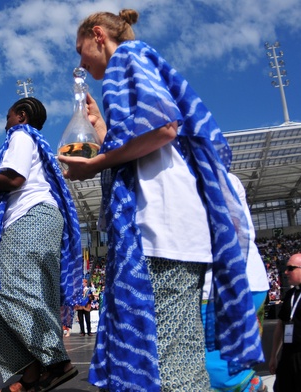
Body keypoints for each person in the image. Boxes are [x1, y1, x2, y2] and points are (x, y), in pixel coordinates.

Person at [60, 9, 264, 390]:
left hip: (160, 228)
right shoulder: (135, 64)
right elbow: (145, 149)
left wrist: (94, 166)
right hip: (175, 229)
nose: (81, 62)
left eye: (80, 49)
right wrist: (103, 127)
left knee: (165, 364)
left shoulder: (127, 56)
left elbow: (163, 127)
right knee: (177, 353)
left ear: (98, 35)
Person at [0, 97, 82, 392]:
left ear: (21, 116)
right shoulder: (34, 141)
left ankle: (55, 361)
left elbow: (13, 180)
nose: (5, 121)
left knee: (5, 291)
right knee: (21, 293)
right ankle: (29, 376)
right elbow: (20, 187)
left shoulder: (21, 135)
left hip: (29, 220)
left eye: (8, 115)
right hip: (37, 215)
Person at [201, 173, 270, 392]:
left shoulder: (203, 175)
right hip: (246, 282)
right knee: (230, 367)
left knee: (218, 371)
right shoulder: (224, 175)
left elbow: (229, 225)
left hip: (225, 287)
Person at [269, 253, 301, 392]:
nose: (286, 272)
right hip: (288, 355)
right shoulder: (290, 294)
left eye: (291, 268)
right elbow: (281, 326)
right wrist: (273, 356)